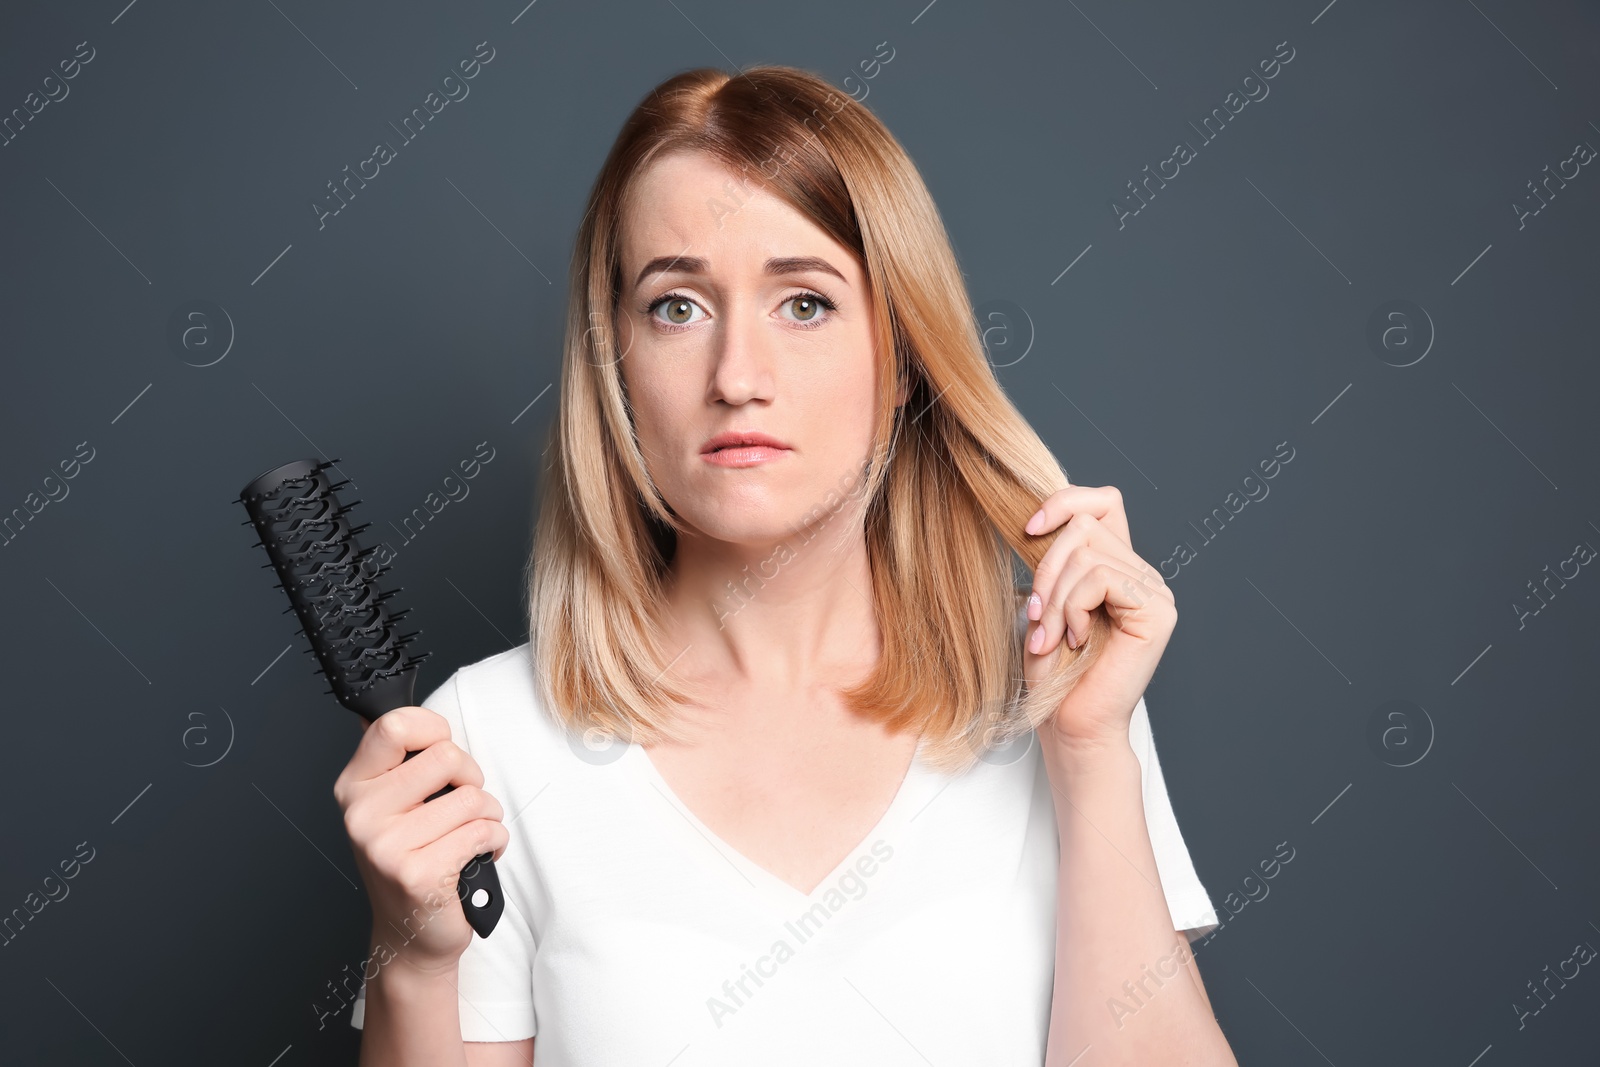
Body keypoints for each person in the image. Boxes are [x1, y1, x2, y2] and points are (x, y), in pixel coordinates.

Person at [337, 64, 1237, 1066]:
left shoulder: (1056, 692)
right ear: (615, 366)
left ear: (900, 360)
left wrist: (1087, 750)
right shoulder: (483, 746)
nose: (737, 377)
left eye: (802, 303)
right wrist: (415, 962)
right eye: (676, 307)